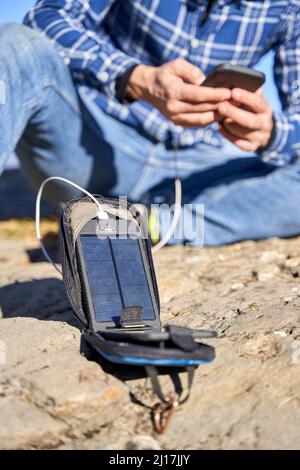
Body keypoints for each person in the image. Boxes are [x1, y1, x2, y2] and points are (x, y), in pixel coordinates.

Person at [0, 0, 300, 246]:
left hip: (198, 171)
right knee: (15, 43)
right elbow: (49, 16)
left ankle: (146, 225)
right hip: (93, 143)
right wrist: (132, 77)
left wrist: (270, 132)